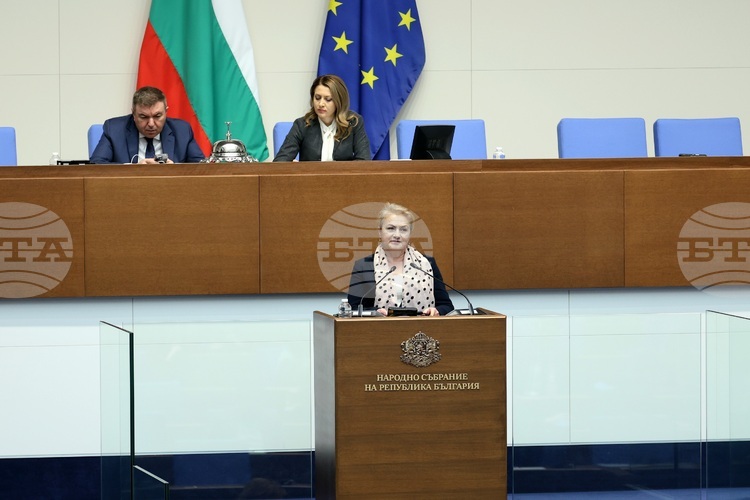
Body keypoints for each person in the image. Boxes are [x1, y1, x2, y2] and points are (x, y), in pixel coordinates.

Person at [347, 203, 454, 316]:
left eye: (403, 229)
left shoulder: (426, 264)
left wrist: (436, 311)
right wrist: (375, 312)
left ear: (410, 234)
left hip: (422, 326)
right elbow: (354, 308)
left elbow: (446, 306)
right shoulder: (363, 266)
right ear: (380, 232)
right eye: (391, 228)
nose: (397, 235)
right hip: (378, 326)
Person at [90, 86, 205, 164]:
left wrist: (174, 170)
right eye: (143, 117)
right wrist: (134, 170)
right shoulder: (114, 129)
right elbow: (97, 164)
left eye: (157, 116)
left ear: (166, 112)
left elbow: (201, 167)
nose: (151, 124)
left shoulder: (182, 130)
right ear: (133, 114)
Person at [273, 74, 371, 162]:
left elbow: (364, 161)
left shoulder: (353, 122)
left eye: (328, 99)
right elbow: (280, 162)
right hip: (310, 176)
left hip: (344, 177)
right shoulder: (302, 124)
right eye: (317, 98)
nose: (321, 104)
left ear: (339, 101)